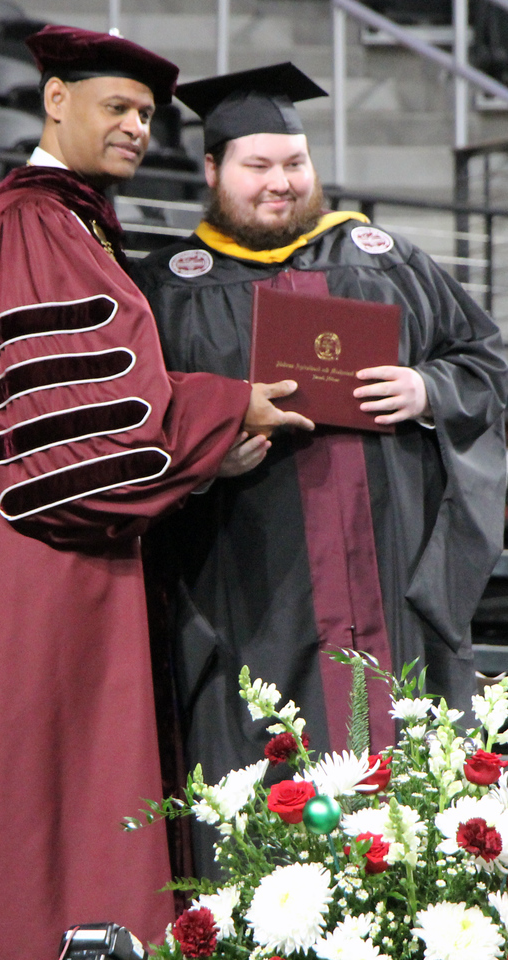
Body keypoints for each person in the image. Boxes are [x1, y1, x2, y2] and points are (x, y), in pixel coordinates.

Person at [0, 32, 315, 960]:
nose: (137, 127)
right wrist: (224, 412)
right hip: (43, 575)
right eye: (116, 107)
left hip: (70, 569)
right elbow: (78, 436)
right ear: (54, 100)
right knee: (51, 810)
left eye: (146, 115)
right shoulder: (29, 227)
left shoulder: (75, 223)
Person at [134, 62, 508, 871]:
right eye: (257, 166)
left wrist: (425, 386)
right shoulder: (166, 289)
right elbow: (138, 424)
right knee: (262, 775)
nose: (281, 184)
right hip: (245, 589)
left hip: (391, 575)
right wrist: (203, 456)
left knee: (409, 781)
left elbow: (487, 360)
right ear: (211, 172)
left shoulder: (384, 259)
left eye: (294, 164)